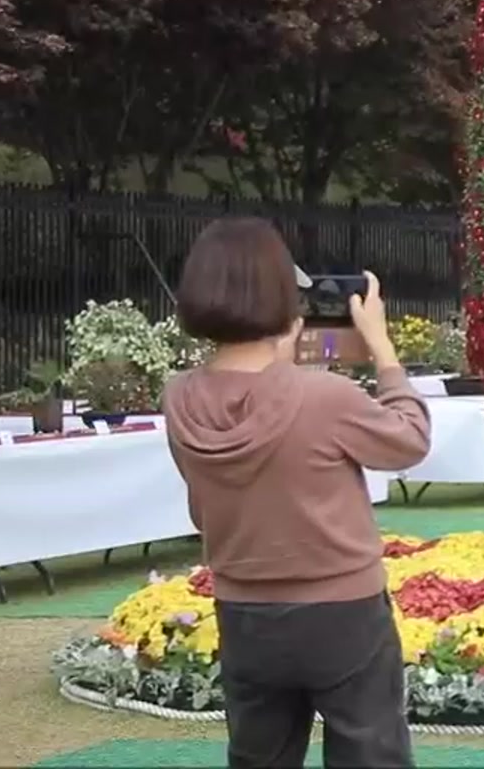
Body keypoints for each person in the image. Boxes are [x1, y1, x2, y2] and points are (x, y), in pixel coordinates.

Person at [164, 218, 431, 769]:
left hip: (243, 610)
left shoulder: (180, 399)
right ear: (286, 297)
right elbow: (409, 440)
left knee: (259, 756)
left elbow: (203, 504)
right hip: (344, 610)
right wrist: (383, 350)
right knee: (370, 753)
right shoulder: (324, 396)